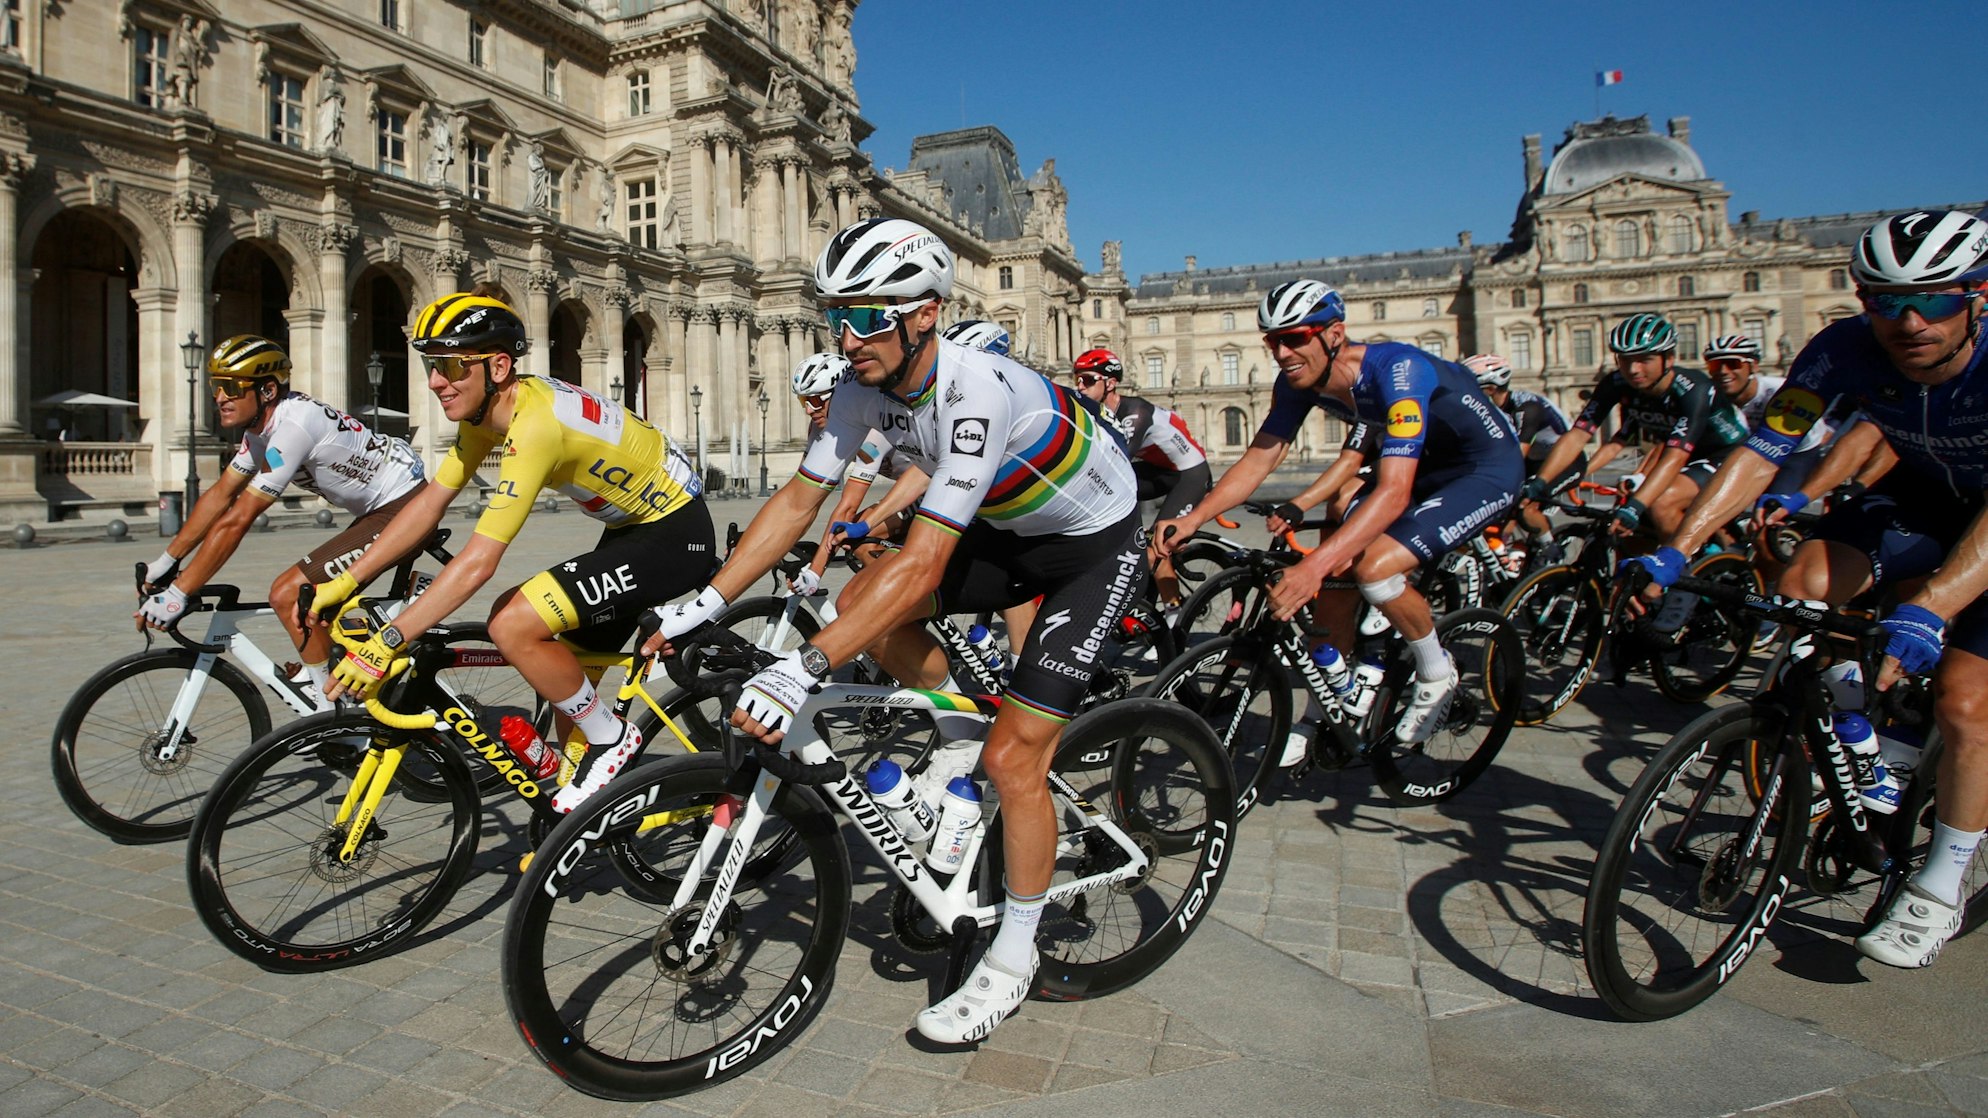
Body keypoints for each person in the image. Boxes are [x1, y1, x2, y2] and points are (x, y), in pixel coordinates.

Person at [639, 217, 1142, 1044]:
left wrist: (800, 668)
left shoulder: (976, 388)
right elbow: (798, 500)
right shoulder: (859, 388)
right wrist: (703, 602)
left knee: (1016, 754)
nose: (847, 335)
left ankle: (1013, 960)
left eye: (868, 315)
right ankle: (952, 730)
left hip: (1091, 545)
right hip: (1013, 529)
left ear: (925, 314)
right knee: (857, 608)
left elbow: (925, 564)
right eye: (835, 314)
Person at [1623, 210, 1988, 970]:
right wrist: (1678, 550)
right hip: (1923, 496)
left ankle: (1943, 882)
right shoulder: (1842, 351)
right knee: (1807, 584)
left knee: (1963, 700)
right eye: (1885, 302)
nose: (1910, 322)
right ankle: (1860, 737)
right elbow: (1763, 450)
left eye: (1936, 300)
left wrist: (1933, 607)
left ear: (1977, 295)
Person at [311, 293, 711, 814]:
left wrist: (390, 638)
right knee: (572, 679)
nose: (434, 381)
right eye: (432, 365)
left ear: (498, 366)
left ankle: (615, 742)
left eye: (451, 365)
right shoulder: (484, 417)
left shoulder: (534, 426)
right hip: (630, 528)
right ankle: (594, 812)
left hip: (675, 532)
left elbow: (479, 560)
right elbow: (429, 503)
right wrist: (347, 580)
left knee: (513, 621)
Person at [1153, 279, 1524, 751]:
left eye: (1294, 337)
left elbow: (1393, 492)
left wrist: (1312, 565)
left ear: (1332, 334)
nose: (1281, 352)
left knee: (1372, 568)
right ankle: (1322, 712)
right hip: (1424, 464)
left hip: (1483, 469)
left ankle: (1436, 670)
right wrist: (1193, 518)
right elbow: (1259, 459)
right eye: (1272, 340)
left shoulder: (1398, 370)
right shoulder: (1296, 383)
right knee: (1333, 589)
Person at [135, 335, 427, 709]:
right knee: (312, 610)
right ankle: (340, 689)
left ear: (267, 390)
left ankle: (333, 714)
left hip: (407, 508)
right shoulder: (260, 432)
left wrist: (178, 593)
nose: (219, 397)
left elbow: (238, 519)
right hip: (378, 512)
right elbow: (220, 496)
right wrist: (167, 563)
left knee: (288, 593)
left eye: (230, 387)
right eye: (215, 386)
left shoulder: (294, 426)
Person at [1525, 312, 1749, 540]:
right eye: (1625, 359)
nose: (1633, 370)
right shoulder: (1617, 384)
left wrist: (1636, 506)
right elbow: (1577, 436)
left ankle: (1693, 565)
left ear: (1669, 359)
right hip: (1688, 457)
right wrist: (1540, 481)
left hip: (1729, 456)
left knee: (1661, 503)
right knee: (1626, 532)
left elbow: (1675, 456)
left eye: (1644, 359)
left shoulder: (1694, 389)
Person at [1069, 347, 1211, 612]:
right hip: (1159, 471)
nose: (1079, 386)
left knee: (1156, 545)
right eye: (1076, 379)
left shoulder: (1136, 413)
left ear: (1110, 383)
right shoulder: (1097, 412)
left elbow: (1115, 459)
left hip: (1189, 474)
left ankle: (1172, 614)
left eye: (1087, 379)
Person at [787, 351, 928, 595]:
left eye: (816, 401)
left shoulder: (872, 433)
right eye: (803, 402)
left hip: (929, 485)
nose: (809, 410)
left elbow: (848, 506)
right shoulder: (819, 426)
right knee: (853, 538)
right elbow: (799, 496)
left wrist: (815, 571)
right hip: (908, 488)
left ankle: (910, 602)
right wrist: (763, 545)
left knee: (862, 538)